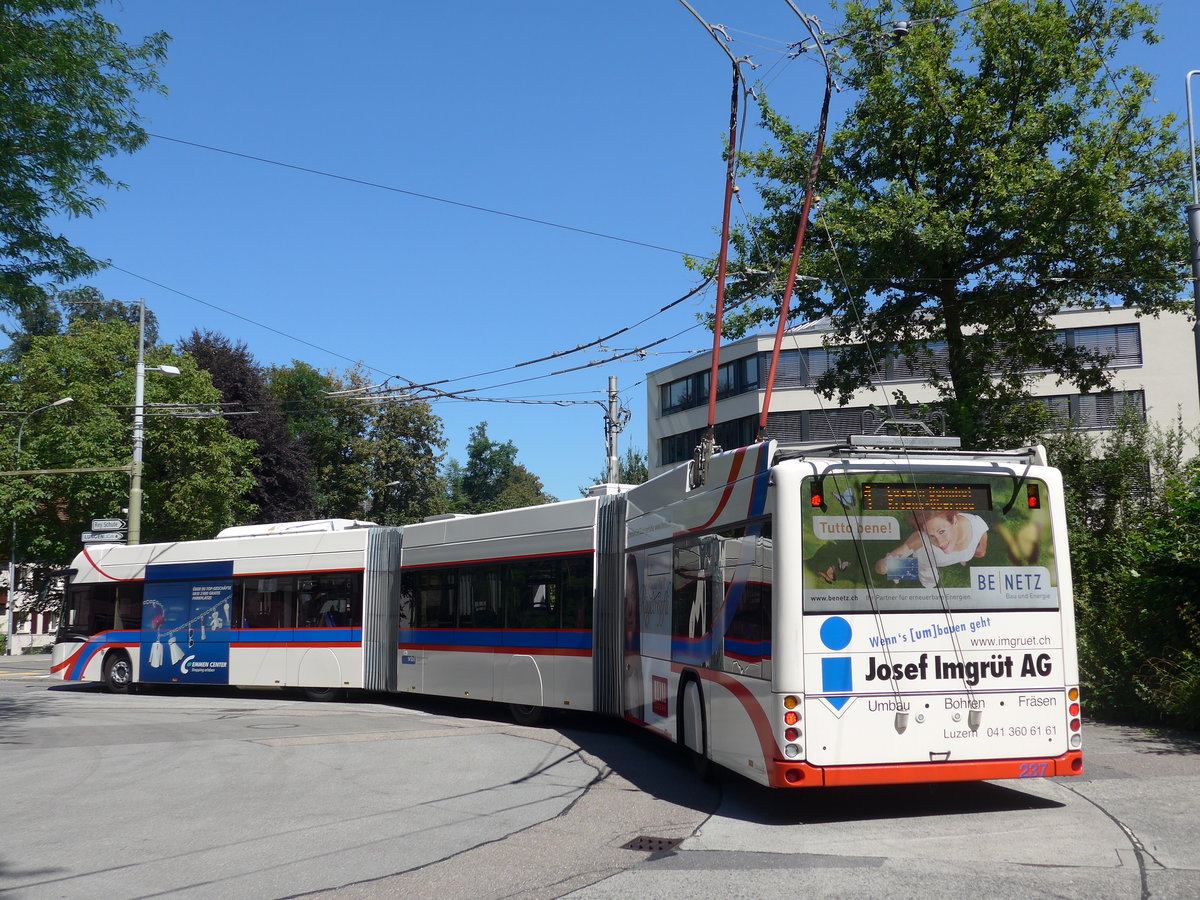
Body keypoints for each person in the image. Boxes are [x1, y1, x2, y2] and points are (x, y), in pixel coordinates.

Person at [875, 509, 989, 588]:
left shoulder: (975, 524)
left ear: (954, 521)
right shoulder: (921, 539)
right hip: (926, 561)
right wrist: (885, 566)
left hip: (945, 558)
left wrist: (982, 548)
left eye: (942, 532)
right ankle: (928, 587)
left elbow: (983, 530)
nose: (940, 542)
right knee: (929, 579)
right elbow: (880, 567)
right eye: (931, 536)